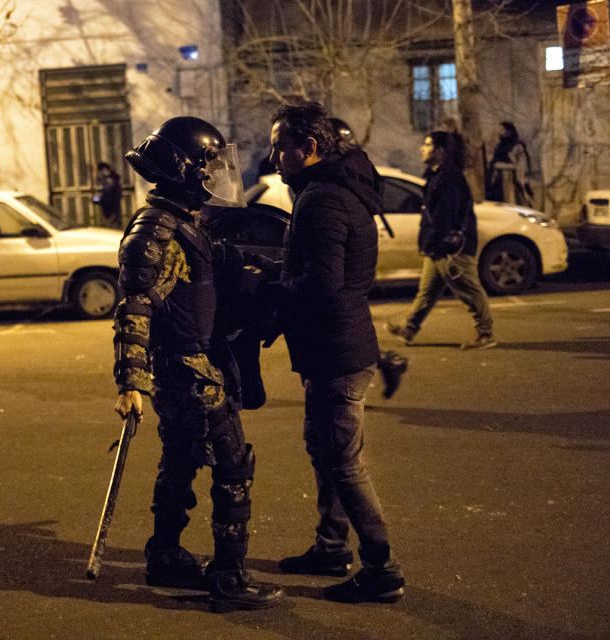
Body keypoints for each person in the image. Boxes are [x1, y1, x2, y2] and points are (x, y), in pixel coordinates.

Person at [113, 116, 284, 612]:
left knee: (183, 458)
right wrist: (131, 382)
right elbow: (135, 308)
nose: (214, 175)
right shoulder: (156, 233)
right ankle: (229, 576)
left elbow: (211, 259)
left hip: (190, 364)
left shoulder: (183, 223)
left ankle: (165, 554)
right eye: (208, 165)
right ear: (183, 168)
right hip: (187, 369)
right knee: (232, 464)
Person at [268, 100, 405, 604]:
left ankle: (382, 568)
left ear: (310, 148)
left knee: (344, 462)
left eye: (281, 145)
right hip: (335, 347)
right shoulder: (331, 190)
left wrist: (272, 289)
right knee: (325, 450)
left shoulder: (323, 199)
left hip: (336, 351)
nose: (273, 155)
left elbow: (323, 283)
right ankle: (331, 547)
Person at [386, 131, 496, 350]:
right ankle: (409, 329)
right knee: (427, 292)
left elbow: (443, 217)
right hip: (437, 246)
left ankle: (486, 334)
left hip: (450, 248)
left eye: (427, 145)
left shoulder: (449, 179)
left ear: (440, 151)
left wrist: (431, 243)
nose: (422, 149)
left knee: (470, 290)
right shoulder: (437, 175)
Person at [329, 117, 409, 400]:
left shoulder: (336, 185)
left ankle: (385, 361)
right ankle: (386, 361)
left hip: (347, 268)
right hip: (355, 265)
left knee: (345, 324)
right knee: (352, 320)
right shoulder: (354, 173)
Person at [486, 121, 532, 206]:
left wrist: (501, 166)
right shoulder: (499, 146)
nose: (500, 131)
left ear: (509, 131)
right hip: (498, 182)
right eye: (500, 129)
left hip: (510, 182)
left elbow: (520, 166)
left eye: (502, 129)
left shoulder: (517, 146)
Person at [93, 162, 123, 227]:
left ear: (104, 169)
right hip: (110, 200)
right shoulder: (109, 179)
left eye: (99, 171)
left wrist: (97, 199)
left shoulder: (110, 180)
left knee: (111, 215)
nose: (99, 173)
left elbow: (106, 192)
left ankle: (113, 224)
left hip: (110, 201)